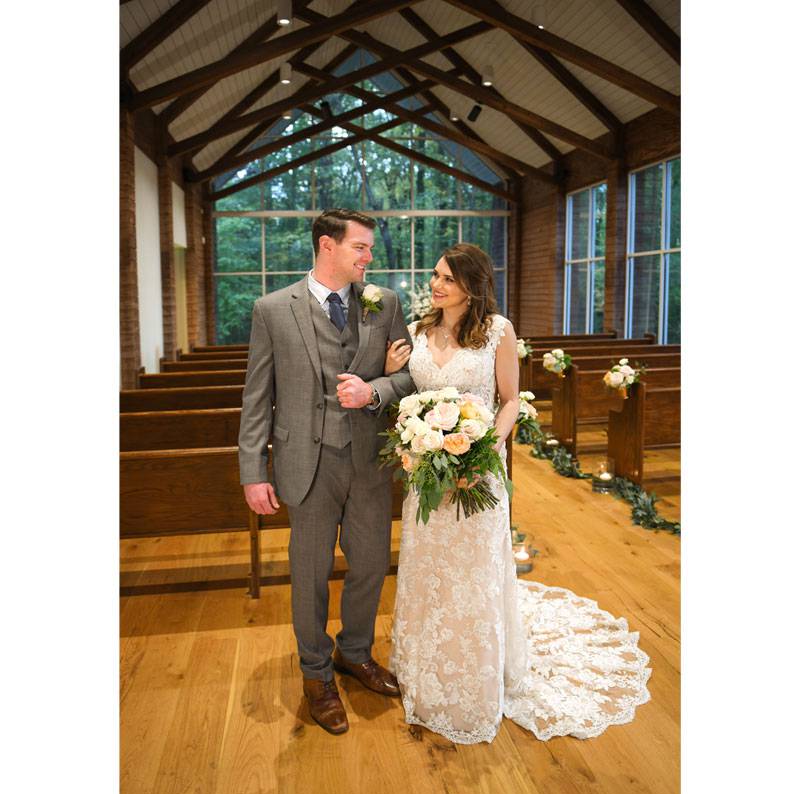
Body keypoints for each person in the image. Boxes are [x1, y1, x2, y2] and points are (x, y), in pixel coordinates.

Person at [384, 243, 652, 744]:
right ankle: (425, 662)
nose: (436, 284)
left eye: (446, 278)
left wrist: (483, 447)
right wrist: (401, 394)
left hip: (477, 466)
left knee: (474, 568)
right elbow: (407, 392)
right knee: (429, 565)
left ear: (471, 284)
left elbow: (509, 401)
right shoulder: (418, 332)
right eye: (435, 276)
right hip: (426, 473)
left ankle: (480, 672)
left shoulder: (498, 332)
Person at [238, 208, 415, 735]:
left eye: (369, 248)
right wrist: (253, 470)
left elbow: (410, 376)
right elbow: (257, 397)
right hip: (303, 463)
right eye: (360, 247)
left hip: (367, 461)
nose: (369, 256)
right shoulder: (272, 309)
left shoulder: (385, 304)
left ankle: (354, 653)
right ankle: (315, 674)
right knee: (310, 576)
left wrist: (375, 390)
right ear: (327, 247)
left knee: (369, 565)